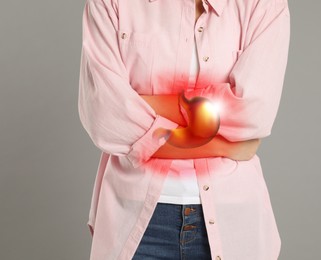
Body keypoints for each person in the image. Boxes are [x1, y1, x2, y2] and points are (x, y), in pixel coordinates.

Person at [78, 0, 290, 259]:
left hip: (232, 220)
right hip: (134, 221)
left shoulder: (263, 5)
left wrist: (141, 103)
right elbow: (106, 115)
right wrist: (224, 145)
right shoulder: (112, 3)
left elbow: (253, 112)